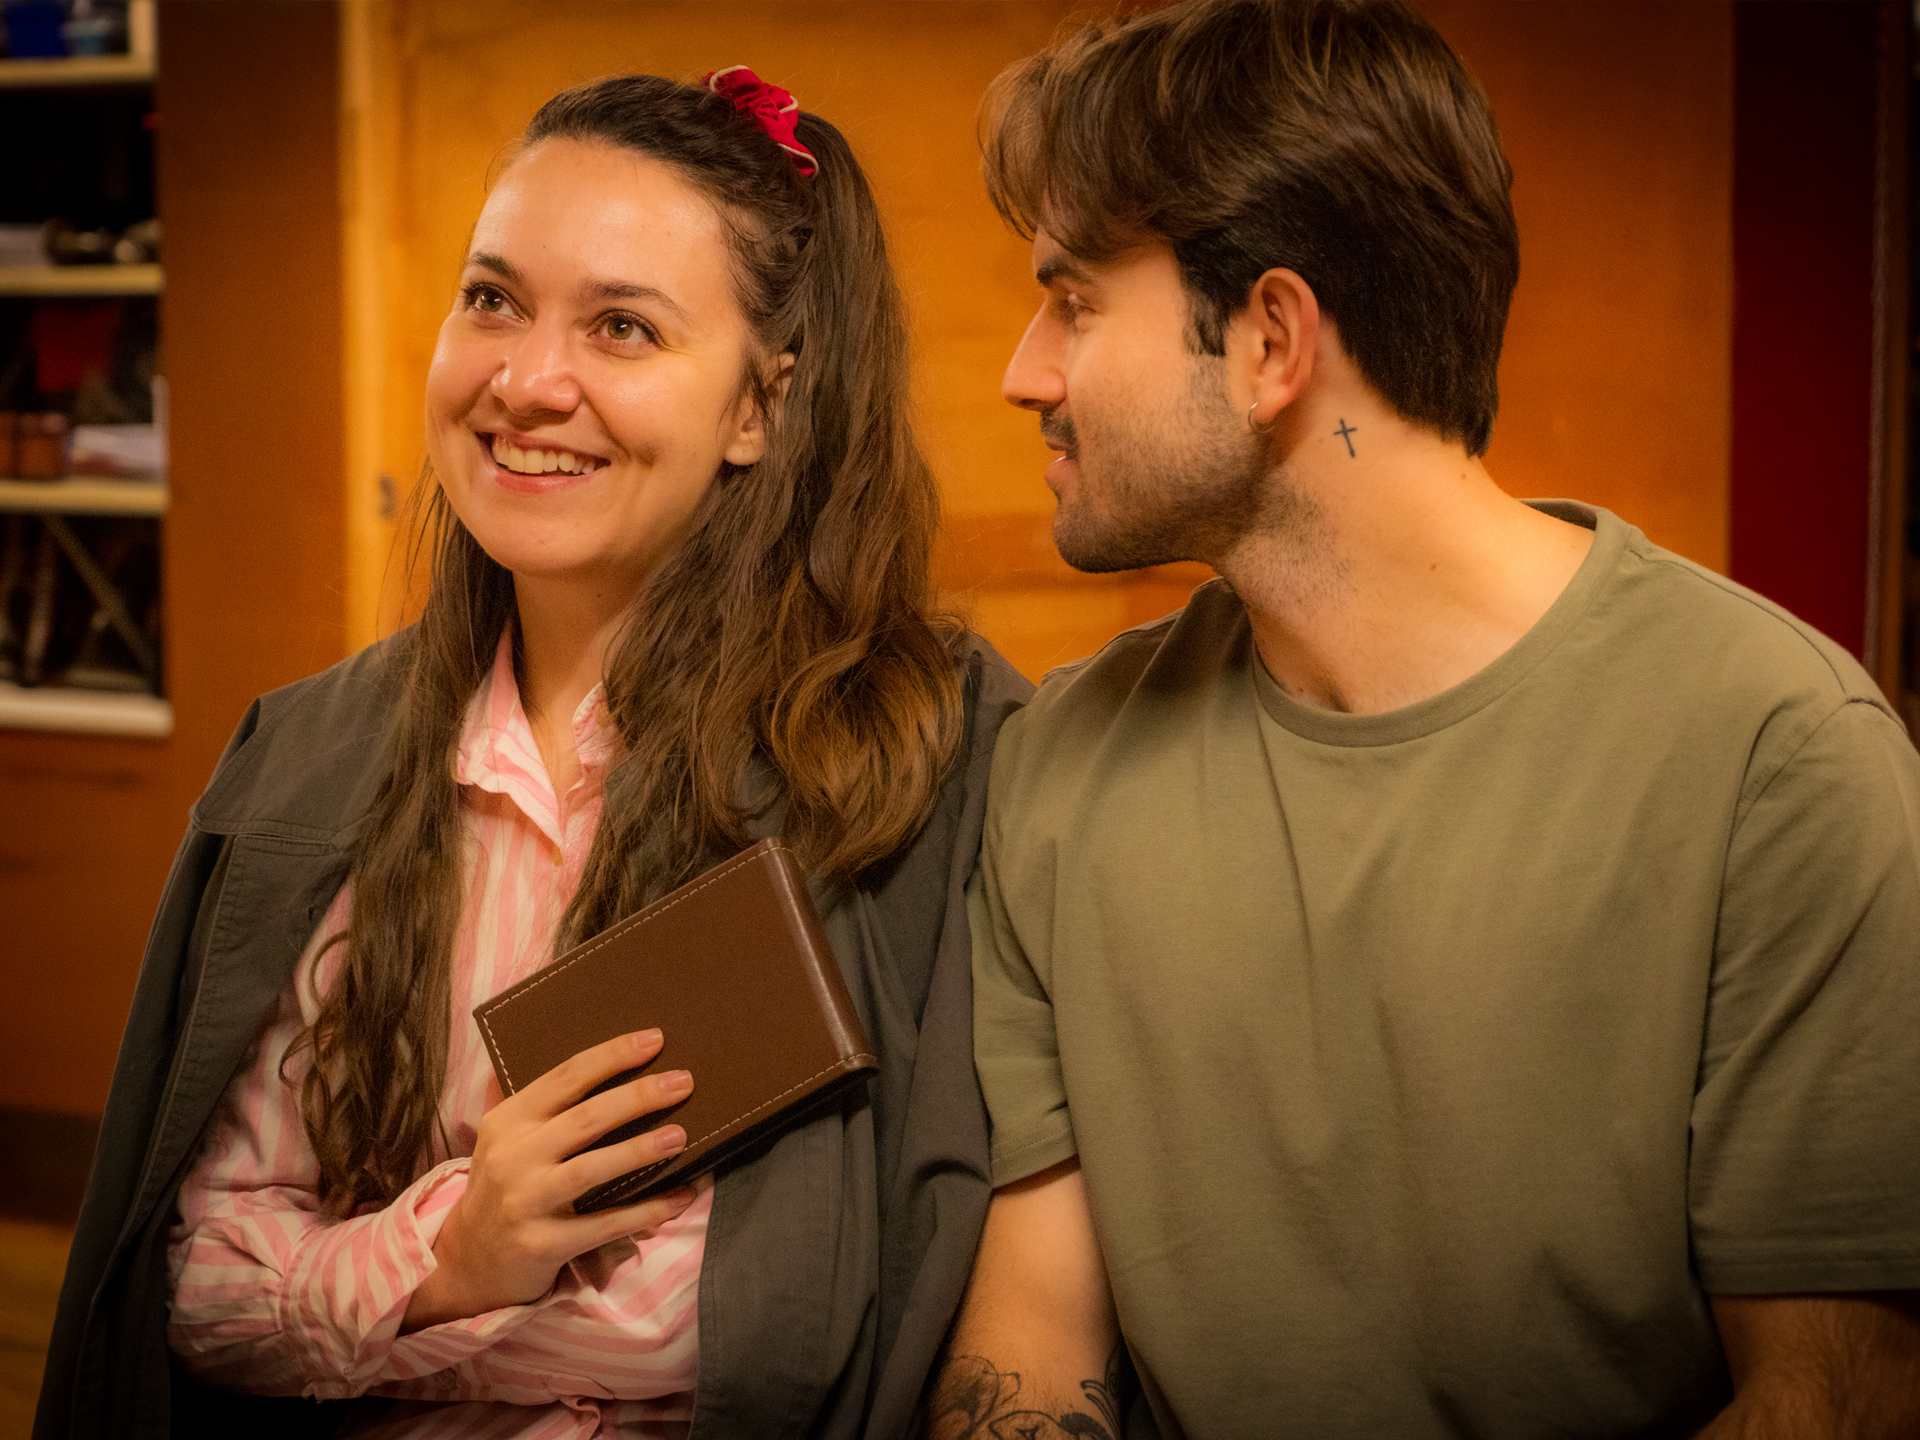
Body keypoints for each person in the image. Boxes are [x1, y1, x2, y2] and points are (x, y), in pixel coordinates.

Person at [928, 2, 1920, 1437]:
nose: (1026, 370)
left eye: (1074, 302)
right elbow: (1029, 1356)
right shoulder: (1061, 763)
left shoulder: (1781, 757)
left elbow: (1837, 1402)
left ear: (1271, 341)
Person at [37, 69, 1028, 1440]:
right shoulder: (307, 762)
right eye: (493, 299)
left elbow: (762, 1321)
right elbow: (195, 1287)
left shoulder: (918, 756)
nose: (525, 382)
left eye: (623, 327)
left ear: (762, 405)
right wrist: (455, 1254)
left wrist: (375, 1302)